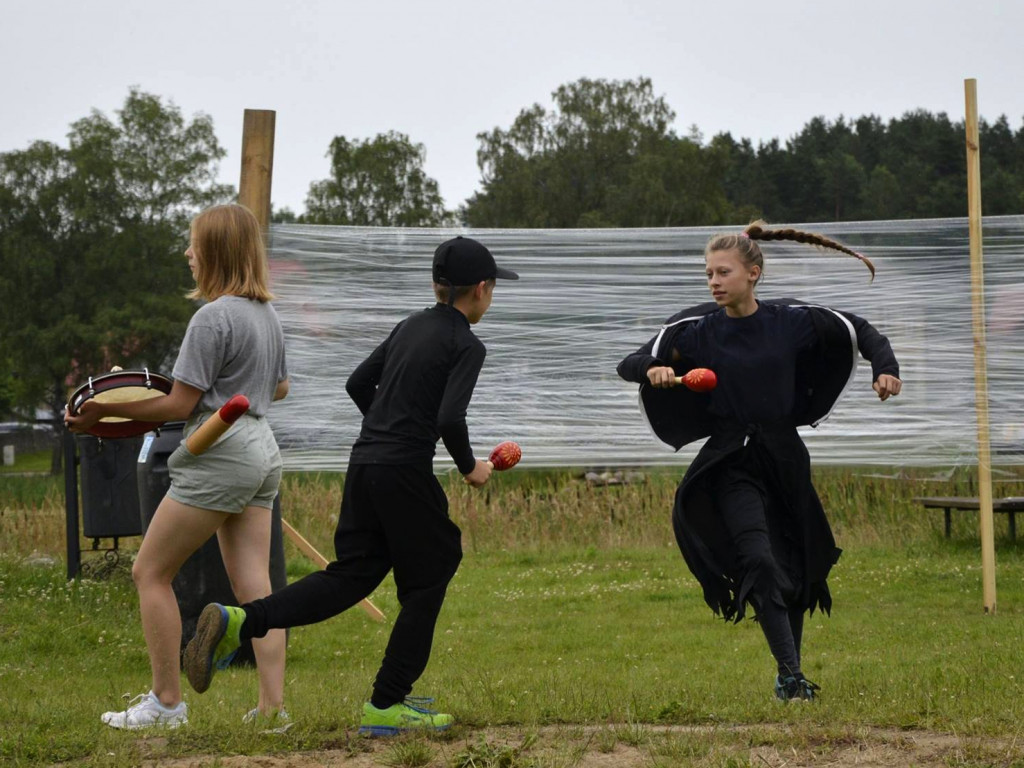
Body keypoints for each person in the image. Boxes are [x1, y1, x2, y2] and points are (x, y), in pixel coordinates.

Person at [181, 236, 519, 735]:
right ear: (483, 289)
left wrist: (385, 431)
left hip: (365, 463)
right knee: (435, 569)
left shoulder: (409, 327)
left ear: (437, 285)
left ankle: (239, 623)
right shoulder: (466, 344)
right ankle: (387, 704)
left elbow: (358, 383)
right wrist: (471, 467)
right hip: (404, 469)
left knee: (350, 577)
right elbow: (450, 415)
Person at [616, 221, 902, 701]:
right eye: (708, 273)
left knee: (795, 567)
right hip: (731, 461)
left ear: (753, 273)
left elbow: (861, 330)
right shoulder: (696, 329)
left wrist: (886, 369)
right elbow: (628, 363)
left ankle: (789, 672)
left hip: (785, 457)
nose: (713, 281)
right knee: (760, 561)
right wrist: (654, 368)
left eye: (723, 272)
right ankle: (791, 677)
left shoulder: (790, 321)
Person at [65, 203, 289, 729]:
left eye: (194, 244)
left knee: (150, 571)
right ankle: (271, 710)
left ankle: (167, 705)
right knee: (257, 587)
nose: (188, 254)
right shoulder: (267, 315)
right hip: (262, 449)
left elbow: (177, 406)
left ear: (213, 251)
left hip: (219, 448)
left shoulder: (212, 317)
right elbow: (278, 387)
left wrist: (104, 409)